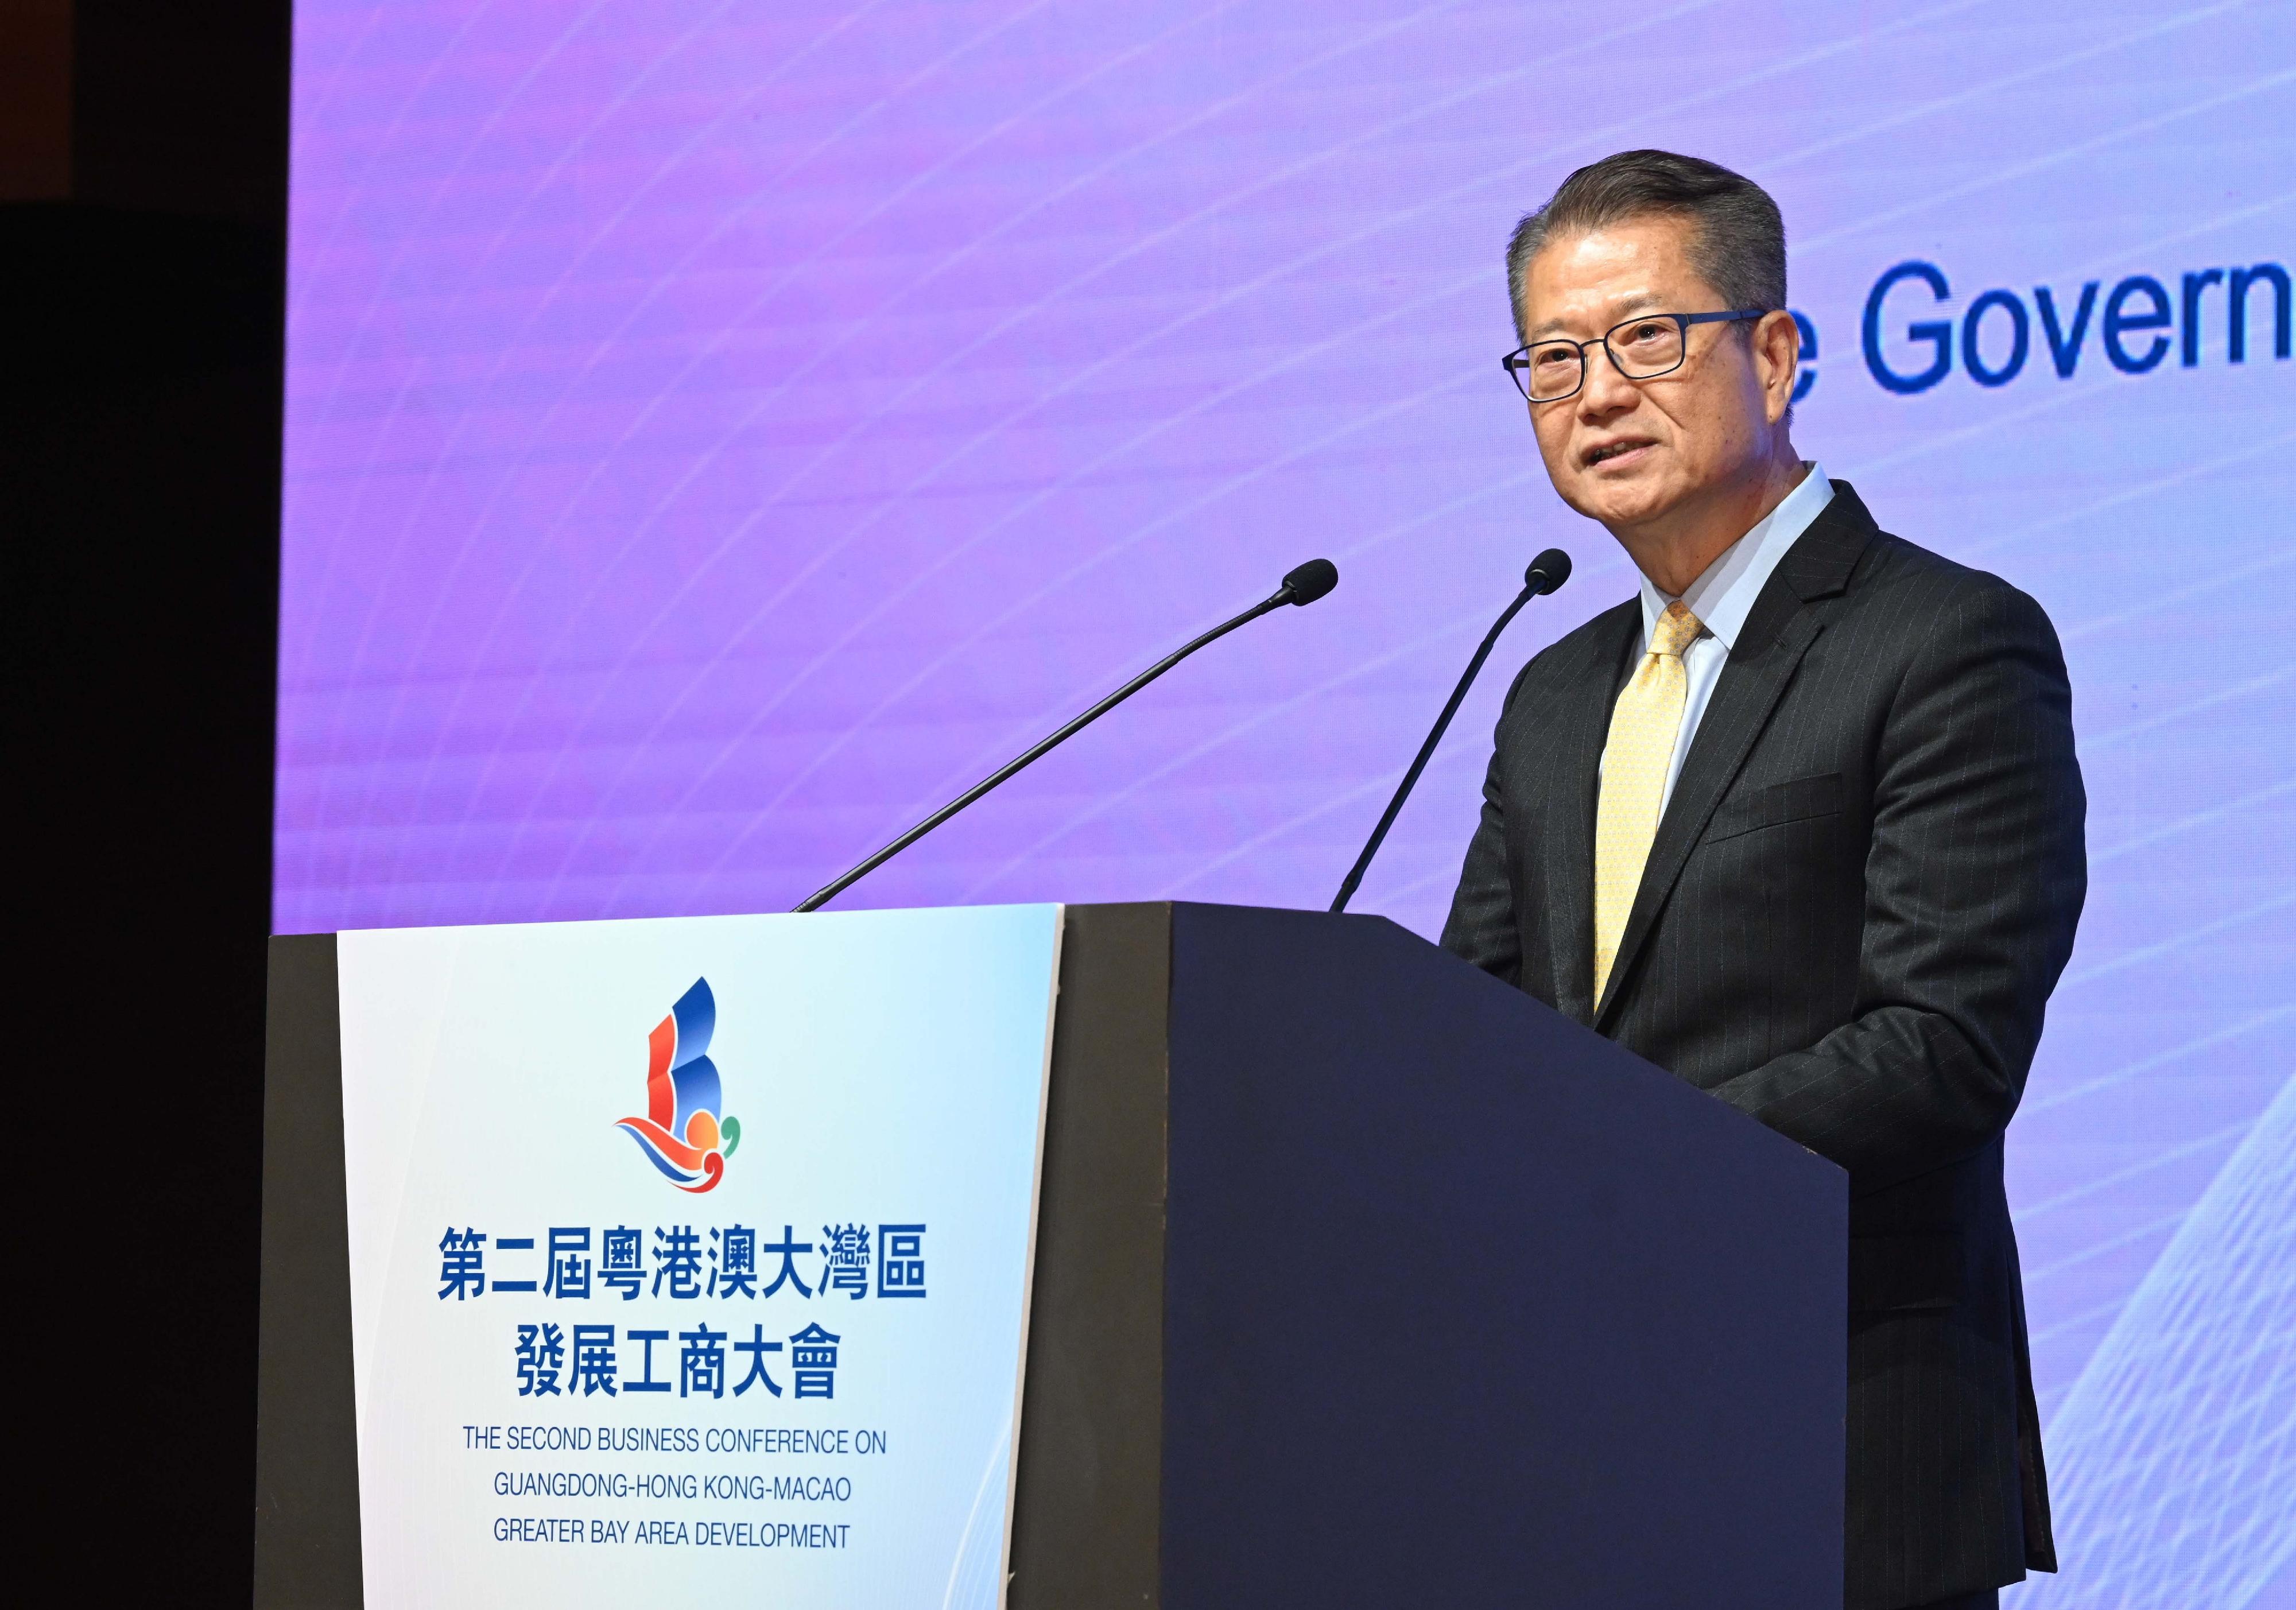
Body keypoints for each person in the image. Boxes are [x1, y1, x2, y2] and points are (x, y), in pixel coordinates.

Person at [1441, 149, 2086, 1610]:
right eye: (1551, 358)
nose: (1597, 392)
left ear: (1776, 354)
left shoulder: (1942, 640)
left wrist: (1609, 1171)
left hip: (1838, 1431)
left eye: (1645, 339)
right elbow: (1467, 1026)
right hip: (1570, 1447)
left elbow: (1943, 1045)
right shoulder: (1553, 691)